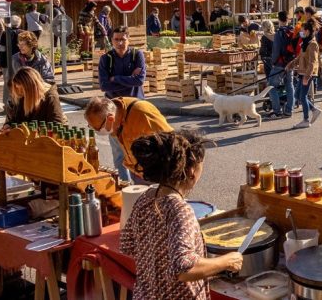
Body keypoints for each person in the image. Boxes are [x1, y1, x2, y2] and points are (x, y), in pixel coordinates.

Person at [120, 131, 242, 300]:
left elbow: (127, 245)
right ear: (192, 170)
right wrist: (227, 261)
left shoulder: (145, 197)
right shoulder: (179, 209)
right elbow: (184, 269)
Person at [85, 96, 173, 184]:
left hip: (158, 175)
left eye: (98, 128)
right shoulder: (115, 118)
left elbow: (171, 143)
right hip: (138, 173)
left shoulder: (142, 113)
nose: (97, 132)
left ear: (110, 119)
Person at [98, 26, 147, 181]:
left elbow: (140, 80)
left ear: (128, 39)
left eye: (123, 39)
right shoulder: (106, 59)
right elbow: (104, 86)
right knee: (119, 153)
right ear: (112, 40)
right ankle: (124, 186)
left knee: (138, 151)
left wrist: (116, 79)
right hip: (114, 111)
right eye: (116, 39)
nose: (120, 43)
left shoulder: (136, 55)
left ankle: (140, 186)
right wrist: (128, 79)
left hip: (135, 109)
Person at [287, 19, 321, 129]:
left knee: (303, 96)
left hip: (308, 73)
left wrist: (307, 76)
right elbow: (300, 57)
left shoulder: (312, 44)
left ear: (307, 31)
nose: (301, 32)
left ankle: (306, 120)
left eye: (302, 30)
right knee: (297, 95)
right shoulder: (305, 42)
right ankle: (314, 110)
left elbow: (313, 62)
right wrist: (291, 64)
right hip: (302, 72)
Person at [269, 11, 296, 119]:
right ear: (288, 19)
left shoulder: (279, 33)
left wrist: (273, 62)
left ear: (279, 20)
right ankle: (289, 109)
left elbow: (276, 50)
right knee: (289, 85)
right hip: (290, 62)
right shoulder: (292, 31)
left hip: (280, 63)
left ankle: (277, 110)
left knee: (271, 86)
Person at [0, 15, 22, 79]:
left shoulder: (5, 33)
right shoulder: (23, 33)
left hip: (7, 62)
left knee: (7, 83)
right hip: (21, 61)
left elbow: (1, 49)